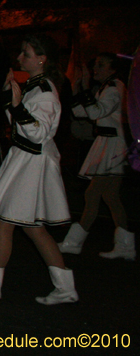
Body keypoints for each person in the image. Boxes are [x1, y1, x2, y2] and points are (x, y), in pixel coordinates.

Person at [0, 34, 78, 308]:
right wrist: (9, 97)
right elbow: (18, 123)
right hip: (24, 159)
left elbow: (37, 132)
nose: (20, 57)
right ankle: (64, 288)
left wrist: (16, 105)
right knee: (31, 228)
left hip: (31, 162)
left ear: (42, 59)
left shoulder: (45, 91)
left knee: (8, 222)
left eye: (26, 53)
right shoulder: (35, 87)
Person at [58, 52, 134, 259]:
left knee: (93, 194)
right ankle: (126, 247)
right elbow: (82, 113)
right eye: (96, 64)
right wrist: (78, 89)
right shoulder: (107, 87)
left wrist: (84, 90)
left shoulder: (114, 88)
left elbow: (95, 113)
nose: (95, 69)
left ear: (112, 68)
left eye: (101, 65)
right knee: (111, 197)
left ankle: (74, 242)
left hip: (112, 146)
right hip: (108, 144)